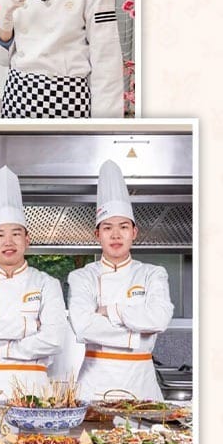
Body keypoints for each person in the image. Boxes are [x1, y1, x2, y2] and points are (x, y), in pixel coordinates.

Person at [68, 160, 174, 401]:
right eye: (107, 228)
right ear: (97, 234)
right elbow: (83, 325)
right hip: (94, 387)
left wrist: (109, 311)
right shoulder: (82, 276)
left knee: (147, 437)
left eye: (123, 227)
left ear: (134, 232)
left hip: (142, 386)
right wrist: (136, 334)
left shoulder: (153, 273)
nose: (116, 235)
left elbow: (159, 318)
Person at [0, 167, 69, 399]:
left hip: (35, 389)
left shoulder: (47, 283)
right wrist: (31, 326)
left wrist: (1, 349)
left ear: (27, 240)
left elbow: (54, 339)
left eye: (16, 234)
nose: (8, 242)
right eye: (0, 235)